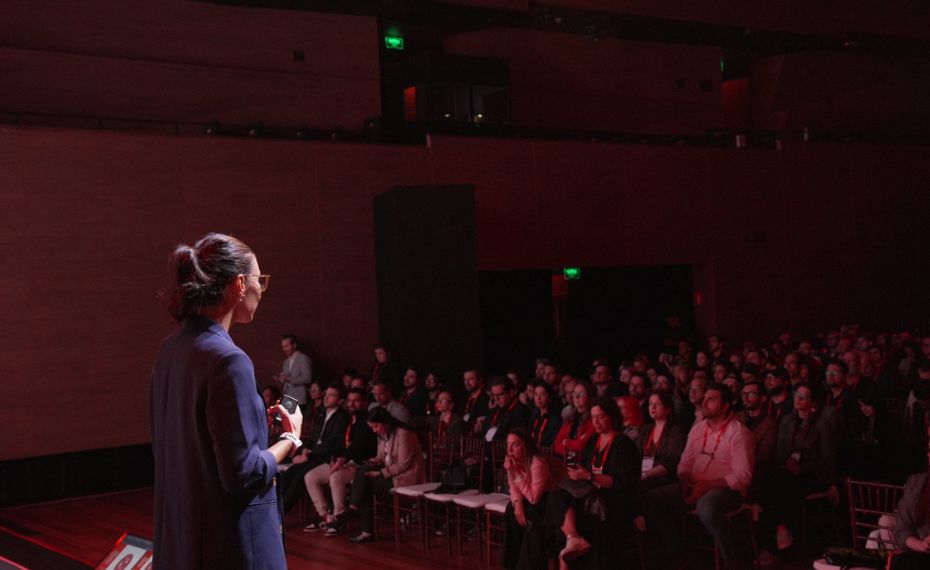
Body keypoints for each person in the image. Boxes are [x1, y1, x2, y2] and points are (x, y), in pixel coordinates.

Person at [151, 233, 301, 570]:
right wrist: (290, 439)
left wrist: (254, 428)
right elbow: (243, 475)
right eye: (260, 280)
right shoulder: (229, 360)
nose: (261, 289)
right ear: (239, 284)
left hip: (184, 538)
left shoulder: (170, 349)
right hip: (231, 546)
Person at [640, 383, 754, 569]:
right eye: (704, 398)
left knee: (706, 505)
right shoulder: (698, 429)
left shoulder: (738, 433)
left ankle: (733, 559)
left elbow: (743, 476)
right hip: (694, 485)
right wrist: (684, 479)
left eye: (711, 399)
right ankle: (680, 550)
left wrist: (706, 486)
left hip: (726, 490)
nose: (704, 402)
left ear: (725, 406)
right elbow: (685, 462)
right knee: (652, 498)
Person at [544, 397, 640, 570]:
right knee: (557, 496)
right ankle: (574, 539)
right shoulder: (593, 441)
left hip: (613, 499)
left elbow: (618, 482)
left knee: (574, 517)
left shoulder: (623, 444)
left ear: (612, 417)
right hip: (591, 493)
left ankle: (571, 551)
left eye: (600, 417)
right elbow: (585, 470)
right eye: (593, 417)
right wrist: (576, 475)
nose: (595, 422)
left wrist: (589, 476)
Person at [304, 387, 377, 536]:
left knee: (335, 477)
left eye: (356, 401)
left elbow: (357, 445)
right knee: (311, 476)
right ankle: (325, 516)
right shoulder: (347, 419)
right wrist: (334, 458)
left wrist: (341, 461)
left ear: (364, 402)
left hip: (359, 464)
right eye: (350, 401)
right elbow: (338, 442)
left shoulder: (367, 421)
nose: (352, 404)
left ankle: (338, 519)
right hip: (341, 461)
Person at [347, 407, 425, 542]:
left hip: (406, 477)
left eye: (375, 426)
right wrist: (375, 461)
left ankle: (355, 512)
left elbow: (403, 464)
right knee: (364, 472)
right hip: (391, 474)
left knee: (365, 482)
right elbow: (382, 457)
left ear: (386, 422)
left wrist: (381, 472)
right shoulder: (383, 435)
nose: (374, 430)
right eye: (372, 427)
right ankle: (355, 510)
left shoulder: (404, 434)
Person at [280, 382, 349, 513]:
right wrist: (304, 451)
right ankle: (272, 510)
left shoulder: (342, 417)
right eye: (326, 394)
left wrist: (309, 453)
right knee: (287, 474)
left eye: (332, 395)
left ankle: (281, 513)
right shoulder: (321, 414)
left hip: (326, 458)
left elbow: (331, 444)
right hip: (313, 455)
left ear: (340, 401)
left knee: (299, 477)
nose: (326, 397)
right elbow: (312, 438)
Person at [502, 428, 559, 570]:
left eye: (515, 444)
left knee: (530, 514)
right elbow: (513, 487)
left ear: (526, 446)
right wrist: (518, 503)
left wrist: (516, 473)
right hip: (529, 500)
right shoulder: (512, 461)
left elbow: (534, 498)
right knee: (511, 509)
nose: (509, 449)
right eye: (508, 444)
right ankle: (512, 564)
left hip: (547, 503)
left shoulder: (537, 463)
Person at [891, 435, 930, 570]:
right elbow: (902, 529)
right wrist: (921, 545)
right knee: (901, 562)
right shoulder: (916, 483)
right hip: (921, 555)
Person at [554, 380, 596, 461]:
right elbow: (556, 445)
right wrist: (572, 451)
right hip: (567, 462)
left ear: (589, 396)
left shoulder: (594, 419)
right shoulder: (570, 419)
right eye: (574, 394)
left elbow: (581, 446)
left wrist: (566, 442)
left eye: (581, 394)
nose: (576, 397)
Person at [273, 334, 313, 411]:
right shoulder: (286, 361)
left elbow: (307, 378)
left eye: (286, 346)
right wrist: (280, 378)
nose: (284, 349)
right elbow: (286, 380)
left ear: (294, 345)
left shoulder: (303, 358)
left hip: (299, 398)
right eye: (283, 346)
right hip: (287, 398)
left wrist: (288, 379)